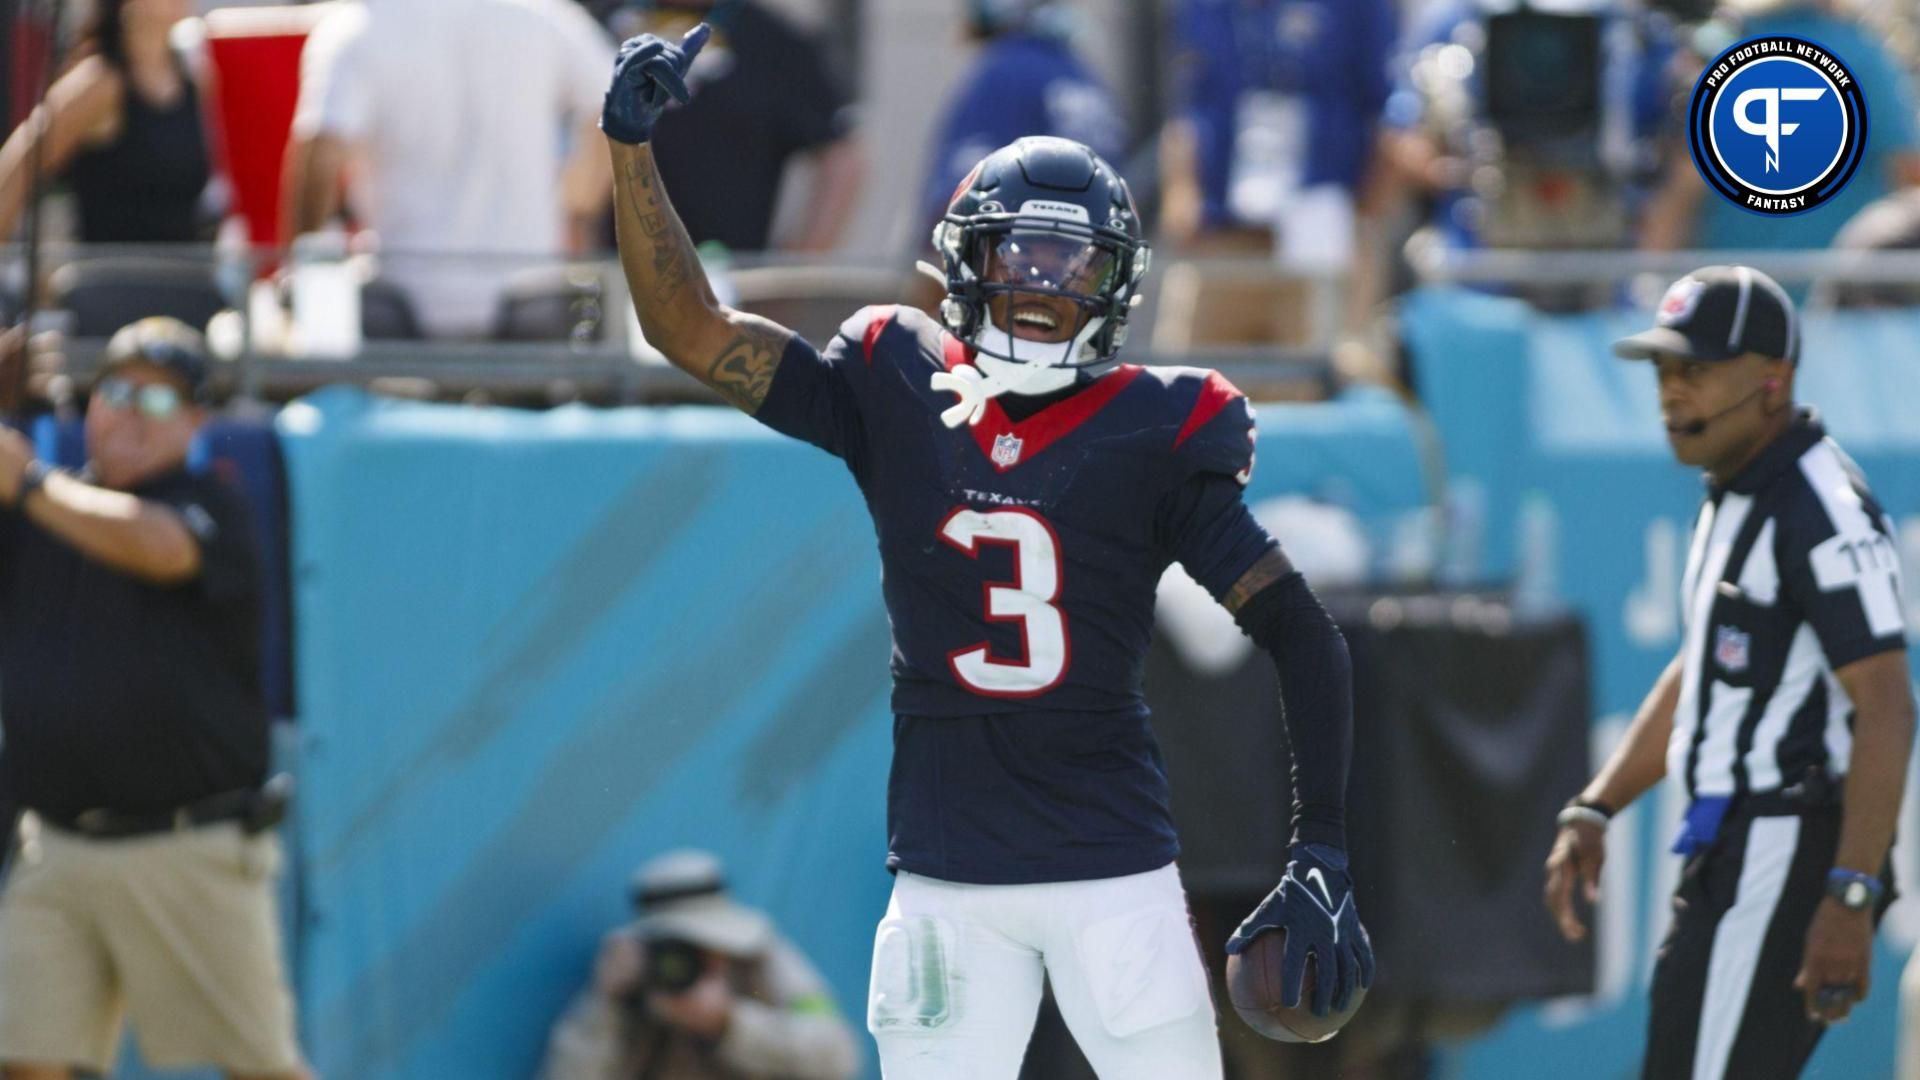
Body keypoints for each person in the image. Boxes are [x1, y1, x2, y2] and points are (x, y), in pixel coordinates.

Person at [601, 28, 1374, 1077]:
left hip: (1107, 875)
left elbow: (1299, 629)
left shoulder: (1149, 429)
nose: (1047, 284)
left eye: (1074, 261)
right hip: (952, 881)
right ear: (968, 258)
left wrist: (1322, 846)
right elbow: (688, 328)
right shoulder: (893, 377)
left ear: (1116, 281)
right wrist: (632, 150)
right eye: (1023, 254)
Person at [1543, 266, 1914, 1079]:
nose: (1673, 394)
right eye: (1664, 372)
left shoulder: (1821, 508)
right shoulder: (1735, 490)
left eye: (1698, 371)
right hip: (1732, 846)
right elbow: (1706, 664)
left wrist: (1850, 892)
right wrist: (1599, 803)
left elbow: (1886, 701)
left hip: (1789, 839)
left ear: (1773, 381)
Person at [0, 317, 306, 1080]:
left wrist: (32, 479)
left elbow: (157, 545)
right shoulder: (41, 511)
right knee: (26, 1060)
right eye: (116, 390)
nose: (132, 412)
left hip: (187, 849)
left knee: (260, 1070)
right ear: (89, 403)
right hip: (56, 845)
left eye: (162, 402)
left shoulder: (214, 505)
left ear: (198, 422)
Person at [284, 0, 616, 338]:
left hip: (400, 307)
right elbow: (613, 96)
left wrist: (300, 272)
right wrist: (577, 208)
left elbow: (322, 154)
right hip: (531, 300)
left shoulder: (355, 27)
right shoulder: (543, 16)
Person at [1155, 0, 1398, 350]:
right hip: (1222, 228)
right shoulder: (1204, 7)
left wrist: (1364, 216)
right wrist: (1181, 188)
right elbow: (1187, 103)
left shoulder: (1357, 8)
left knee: (1315, 378)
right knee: (1196, 376)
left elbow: (1387, 113)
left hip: (1320, 227)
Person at [541, 849, 860, 1080]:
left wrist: (726, 1022)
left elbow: (839, 1056)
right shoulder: (635, 978)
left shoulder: (763, 956)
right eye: (681, 948)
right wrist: (606, 1003)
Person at [1639, 0, 1920, 253]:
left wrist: (1648, 286)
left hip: (1734, 290)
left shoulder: (1720, 46)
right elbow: (1909, 171)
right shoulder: (1863, 55)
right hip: (1834, 296)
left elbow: (1680, 188)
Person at [619, 0, 864, 254]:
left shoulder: (773, 40)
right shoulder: (602, 24)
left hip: (727, 272)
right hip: (611, 268)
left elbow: (841, 157)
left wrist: (799, 264)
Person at [0, 0, 213, 242]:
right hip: (109, 274)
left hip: (189, 274)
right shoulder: (97, 84)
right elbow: (16, 171)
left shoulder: (197, 82)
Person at [915, 0, 1125, 240]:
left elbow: (956, 201)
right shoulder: (1083, 75)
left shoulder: (1005, 72)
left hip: (1017, 254)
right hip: (1089, 258)